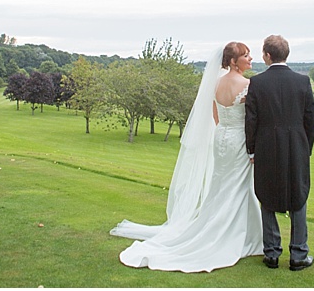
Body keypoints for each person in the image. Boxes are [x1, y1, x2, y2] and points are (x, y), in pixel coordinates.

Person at [109, 42, 263, 272]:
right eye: (246, 56)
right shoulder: (248, 85)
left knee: (222, 185)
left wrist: (226, 131)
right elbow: (252, 119)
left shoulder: (216, 83)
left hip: (221, 138)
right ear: (233, 61)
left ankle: (234, 231)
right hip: (238, 141)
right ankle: (238, 236)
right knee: (238, 187)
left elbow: (216, 117)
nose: (250, 59)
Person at [245, 34, 314, 271]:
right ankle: (298, 254)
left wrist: (251, 149)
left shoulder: (257, 83)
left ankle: (272, 253)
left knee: (266, 194)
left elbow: (251, 120)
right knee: (299, 195)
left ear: (266, 55)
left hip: (266, 145)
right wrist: (307, 148)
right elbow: (310, 120)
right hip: (297, 145)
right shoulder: (303, 81)